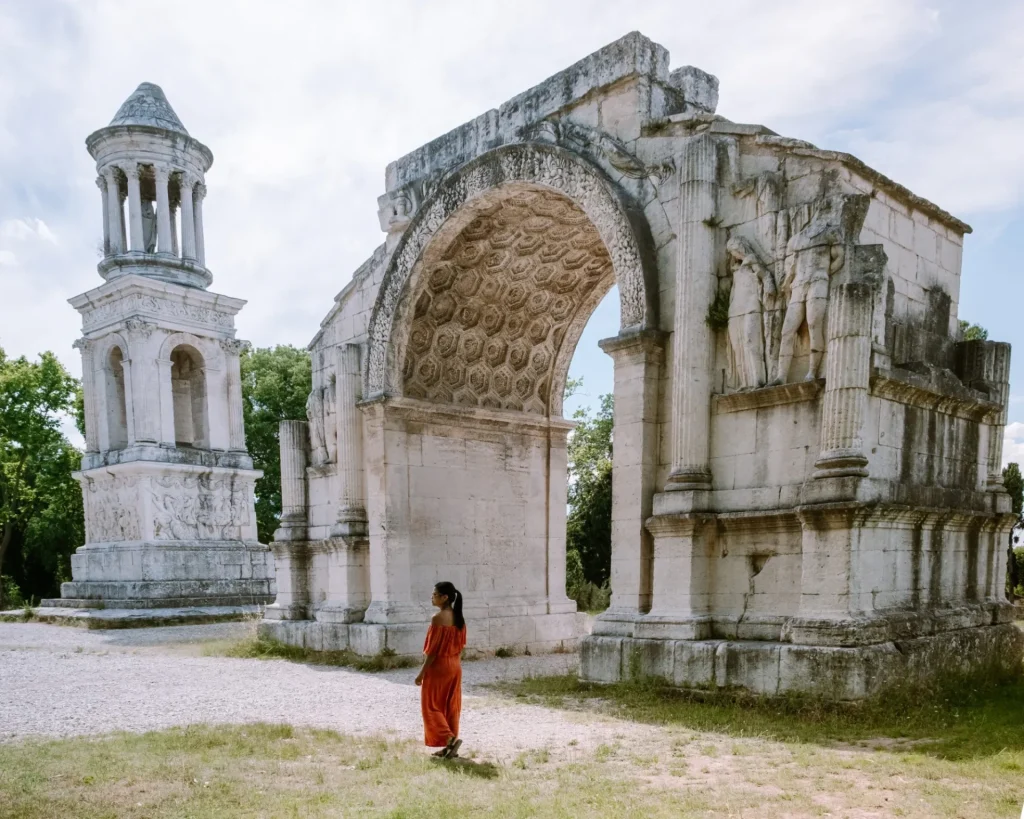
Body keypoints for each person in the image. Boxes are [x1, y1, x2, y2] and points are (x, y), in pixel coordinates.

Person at [415, 581, 466, 759]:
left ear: (444, 597)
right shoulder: (459, 617)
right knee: (450, 706)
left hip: (440, 667)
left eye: (435, 594)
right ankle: (449, 746)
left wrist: (421, 673)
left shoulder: (437, 618)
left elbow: (433, 651)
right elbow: (460, 645)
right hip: (455, 665)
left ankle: (449, 738)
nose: (432, 597)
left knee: (431, 705)